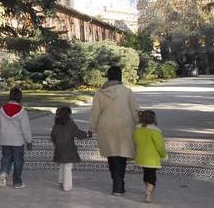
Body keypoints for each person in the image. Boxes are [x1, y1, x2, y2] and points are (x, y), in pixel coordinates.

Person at [89, 66, 140, 195]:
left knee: (112, 155)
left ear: (108, 77)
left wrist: (92, 129)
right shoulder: (127, 91)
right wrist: (140, 125)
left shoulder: (99, 94)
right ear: (120, 76)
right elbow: (135, 111)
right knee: (122, 154)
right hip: (124, 126)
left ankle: (116, 182)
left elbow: (95, 113)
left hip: (106, 127)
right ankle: (119, 183)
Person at [0, 87, 32, 189]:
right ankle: (17, 182)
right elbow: (26, 128)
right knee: (18, 161)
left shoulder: (2, 110)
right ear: (19, 97)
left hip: (5, 139)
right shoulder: (22, 111)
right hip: (18, 141)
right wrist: (29, 141)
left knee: (6, 158)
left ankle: (3, 173)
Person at [50, 106, 92, 191]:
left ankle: (61, 181)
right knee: (68, 167)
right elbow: (79, 134)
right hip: (69, 149)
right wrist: (87, 135)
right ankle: (67, 186)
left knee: (62, 165)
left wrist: (55, 144)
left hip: (59, 149)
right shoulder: (70, 124)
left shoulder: (56, 125)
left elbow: (52, 136)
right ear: (68, 115)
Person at [133, 110, 167, 203]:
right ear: (153, 119)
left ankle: (148, 190)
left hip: (142, 157)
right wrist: (163, 156)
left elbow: (135, 141)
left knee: (146, 174)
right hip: (152, 158)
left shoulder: (137, 129)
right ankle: (148, 194)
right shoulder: (155, 131)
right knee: (152, 176)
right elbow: (160, 146)